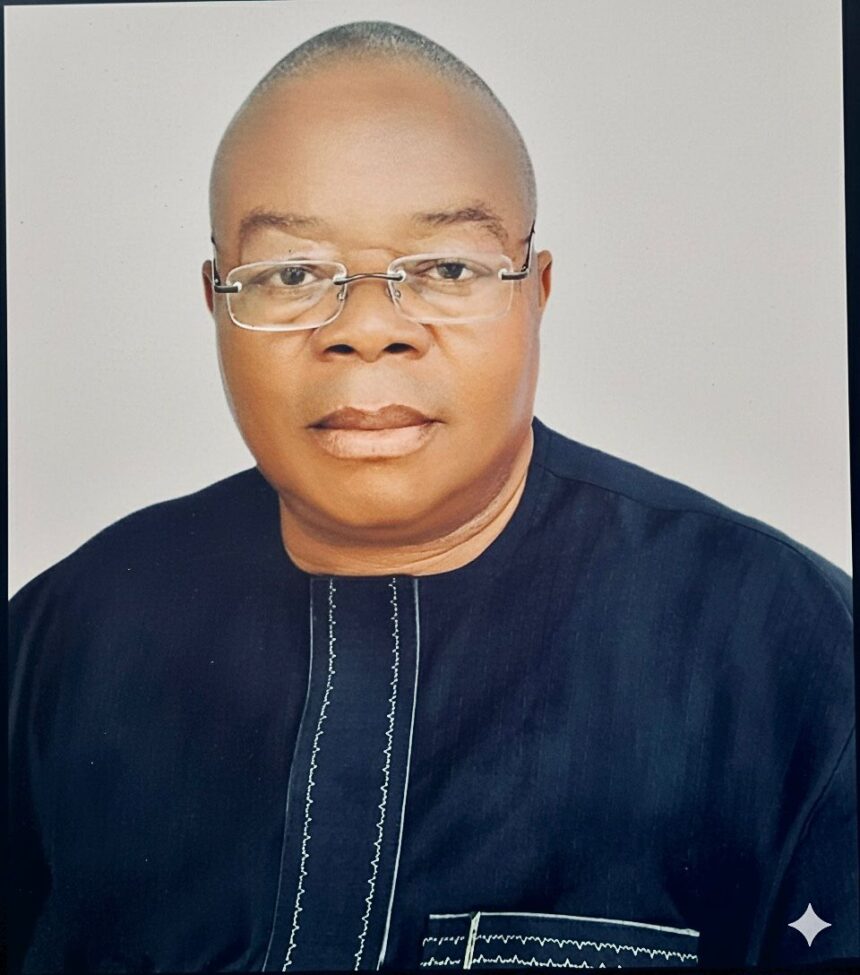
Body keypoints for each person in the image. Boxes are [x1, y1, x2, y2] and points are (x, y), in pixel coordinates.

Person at [8, 20, 856, 973]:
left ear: (537, 293)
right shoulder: (60, 642)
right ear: (216, 303)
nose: (369, 329)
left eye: (448, 268)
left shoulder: (792, 653)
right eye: (292, 273)